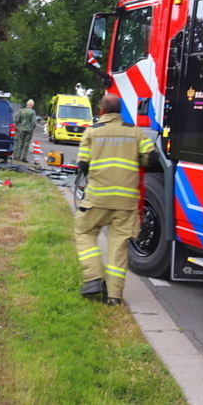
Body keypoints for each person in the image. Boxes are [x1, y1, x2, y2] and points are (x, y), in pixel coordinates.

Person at [74, 93, 159, 305]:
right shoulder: (135, 132)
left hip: (97, 200)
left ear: (101, 111)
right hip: (126, 202)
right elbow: (152, 157)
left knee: (84, 231)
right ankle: (114, 296)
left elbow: (83, 164)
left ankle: (93, 278)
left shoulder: (92, 132)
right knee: (118, 247)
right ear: (120, 111)